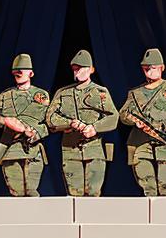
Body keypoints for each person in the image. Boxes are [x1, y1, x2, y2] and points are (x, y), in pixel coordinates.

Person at [118, 48, 166, 196]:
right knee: (148, 189)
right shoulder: (135, 93)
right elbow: (122, 115)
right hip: (141, 144)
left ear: (162, 68)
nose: (150, 71)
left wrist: (164, 124)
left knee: (164, 187)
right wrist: (134, 121)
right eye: (146, 68)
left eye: (153, 68)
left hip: (165, 143)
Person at [45, 49, 118, 197]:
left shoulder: (100, 92)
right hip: (70, 150)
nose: (77, 72)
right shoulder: (63, 93)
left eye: (81, 68)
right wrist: (69, 123)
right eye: (75, 69)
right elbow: (50, 118)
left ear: (91, 70)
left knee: (93, 194)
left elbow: (114, 117)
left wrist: (94, 128)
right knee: (74, 195)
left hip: (94, 150)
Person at [0, 53, 50, 197]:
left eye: (22, 70)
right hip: (11, 149)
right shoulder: (5, 96)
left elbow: (50, 123)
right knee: (17, 193)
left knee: (31, 192)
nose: (18, 74)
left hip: (32, 148)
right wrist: (5, 121)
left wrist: (34, 133)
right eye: (16, 72)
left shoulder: (41, 95)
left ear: (31, 73)